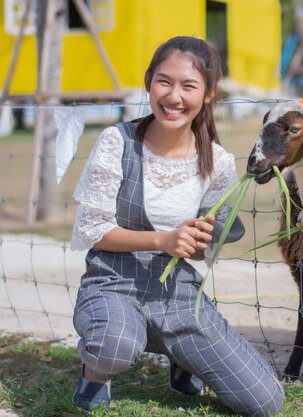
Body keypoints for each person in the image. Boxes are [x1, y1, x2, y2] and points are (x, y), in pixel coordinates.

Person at [70, 36, 284, 416]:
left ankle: (182, 354)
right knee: (113, 345)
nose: (174, 96)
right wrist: (163, 239)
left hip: (177, 295)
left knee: (264, 402)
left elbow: (204, 250)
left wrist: (200, 242)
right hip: (112, 282)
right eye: (164, 81)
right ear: (148, 81)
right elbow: (94, 229)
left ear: (208, 94)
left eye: (189, 86)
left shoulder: (217, 160)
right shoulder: (115, 142)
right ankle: (94, 373)